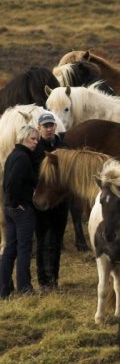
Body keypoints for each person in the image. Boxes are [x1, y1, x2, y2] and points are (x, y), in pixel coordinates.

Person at [1, 125, 40, 298]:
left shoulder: (12, 155)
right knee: (24, 248)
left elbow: (4, 183)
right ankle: (24, 287)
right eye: (33, 138)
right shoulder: (23, 158)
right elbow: (11, 184)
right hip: (21, 210)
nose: (36, 142)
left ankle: (3, 288)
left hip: (10, 209)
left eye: (37, 139)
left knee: (10, 248)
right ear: (24, 138)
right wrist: (17, 203)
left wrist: (10, 204)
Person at [33, 112, 68, 290]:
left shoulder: (64, 147)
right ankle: (43, 281)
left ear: (55, 127)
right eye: (45, 126)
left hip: (60, 203)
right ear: (39, 129)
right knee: (43, 242)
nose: (49, 129)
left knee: (56, 241)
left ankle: (54, 279)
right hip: (43, 203)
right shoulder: (36, 149)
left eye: (51, 125)